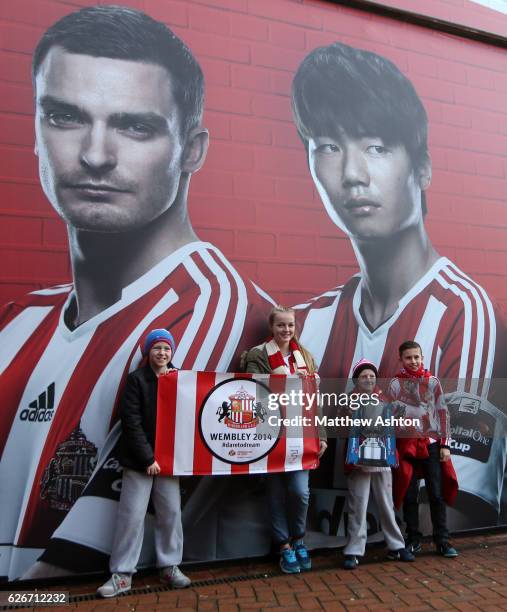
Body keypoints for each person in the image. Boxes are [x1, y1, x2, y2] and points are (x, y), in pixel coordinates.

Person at [0, 5, 272, 581]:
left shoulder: (217, 310)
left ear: (192, 150)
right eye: (65, 116)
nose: (95, 155)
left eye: (135, 126)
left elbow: (66, 579)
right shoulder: (18, 320)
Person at [290, 41, 507, 528]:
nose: (351, 174)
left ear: (423, 166)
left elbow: (456, 506)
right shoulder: (308, 321)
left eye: (375, 146)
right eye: (327, 146)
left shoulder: (463, 310)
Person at [97, 329, 190, 597]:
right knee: (132, 516)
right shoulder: (137, 380)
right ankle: (122, 573)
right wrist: (147, 458)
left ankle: (170, 566)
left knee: (171, 513)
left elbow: (189, 418)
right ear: (148, 351)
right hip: (140, 462)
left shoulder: (181, 379)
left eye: (167, 349)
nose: (162, 353)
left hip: (171, 461)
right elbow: (131, 422)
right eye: (157, 348)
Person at [242, 305, 327, 574]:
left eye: (290, 325)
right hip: (271, 434)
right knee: (276, 493)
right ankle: (284, 546)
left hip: (301, 433)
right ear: (272, 327)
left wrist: (321, 435)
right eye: (281, 325)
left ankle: (299, 538)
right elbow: (252, 390)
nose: (286, 330)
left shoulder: (306, 357)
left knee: (300, 492)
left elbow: (316, 401)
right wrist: (278, 379)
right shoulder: (258, 355)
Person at [388, 341, 459, 558]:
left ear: (422, 357)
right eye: (408, 358)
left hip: (431, 445)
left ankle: (442, 541)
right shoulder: (395, 384)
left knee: (436, 494)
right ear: (401, 359)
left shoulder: (432, 381)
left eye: (416, 357)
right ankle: (413, 539)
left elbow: (443, 413)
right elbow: (389, 417)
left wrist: (445, 445)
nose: (413, 361)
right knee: (409, 495)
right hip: (407, 445)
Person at [342, 359, 414, 569]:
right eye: (364, 376)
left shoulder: (385, 399)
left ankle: (396, 546)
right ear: (357, 379)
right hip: (359, 460)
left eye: (372, 376)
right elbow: (343, 426)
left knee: (386, 503)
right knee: (358, 504)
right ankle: (353, 550)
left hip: (382, 458)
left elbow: (395, 427)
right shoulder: (350, 400)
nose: (369, 379)